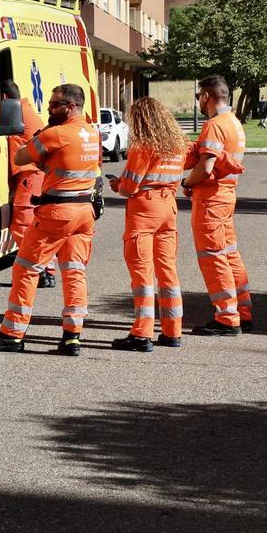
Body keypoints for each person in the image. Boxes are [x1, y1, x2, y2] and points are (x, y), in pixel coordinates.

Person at [0, 84, 102, 356]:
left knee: (25, 268)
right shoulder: (93, 134)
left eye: (54, 104)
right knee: (74, 272)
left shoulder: (54, 134)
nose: (48, 107)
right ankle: (72, 336)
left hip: (57, 212)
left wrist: (41, 143)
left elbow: (23, 156)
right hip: (84, 212)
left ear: (70, 107)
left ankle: (12, 334)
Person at [105, 98, 188, 352]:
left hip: (145, 209)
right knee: (167, 271)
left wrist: (116, 184)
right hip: (168, 207)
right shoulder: (178, 146)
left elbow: (129, 186)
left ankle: (142, 334)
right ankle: (173, 331)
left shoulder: (144, 147)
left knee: (142, 273)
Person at [183, 75, 252, 336]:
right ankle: (242, 312)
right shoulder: (234, 123)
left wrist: (187, 181)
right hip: (226, 196)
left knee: (212, 256)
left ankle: (226, 317)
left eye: (198, 98)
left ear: (205, 96)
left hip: (211, 199)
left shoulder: (214, 125)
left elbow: (206, 166)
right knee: (230, 254)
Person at [0, 80, 56, 288]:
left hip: (30, 176)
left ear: (4, 99)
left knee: (23, 225)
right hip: (34, 176)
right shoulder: (25, 110)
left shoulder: (16, 112)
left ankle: (40, 270)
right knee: (33, 226)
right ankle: (46, 270)